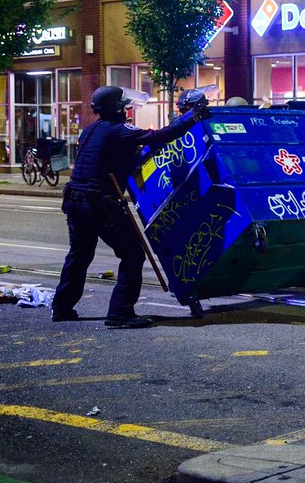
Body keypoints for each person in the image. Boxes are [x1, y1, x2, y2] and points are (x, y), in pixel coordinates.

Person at [51, 86, 207, 328]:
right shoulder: (120, 130)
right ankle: (120, 312)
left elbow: (113, 159)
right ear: (116, 109)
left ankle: (61, 306)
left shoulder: (90, 131)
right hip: (99, 204)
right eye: (123, 106)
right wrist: (192, 117)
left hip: (75, 201)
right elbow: (159, 136)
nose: (126, 110)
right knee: (133, 254)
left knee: (79, 255)